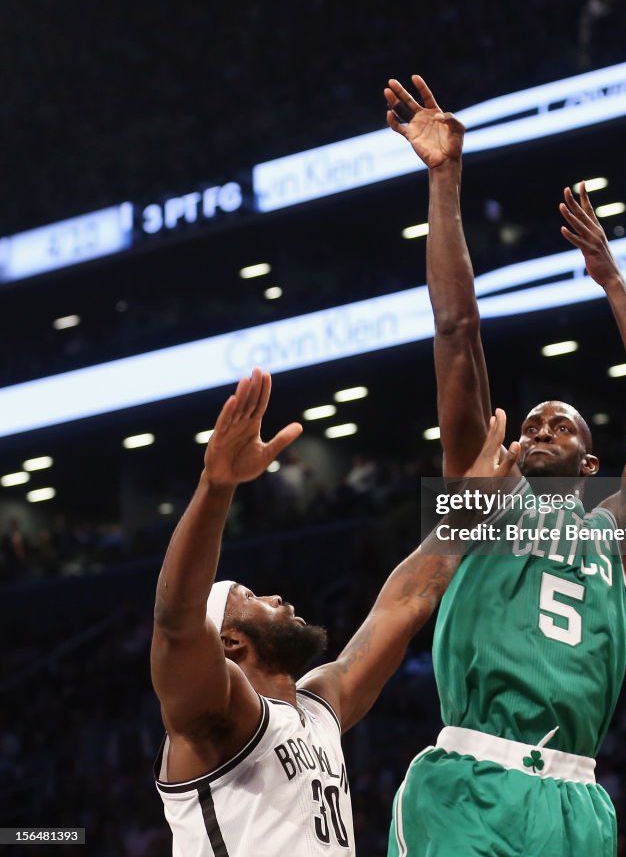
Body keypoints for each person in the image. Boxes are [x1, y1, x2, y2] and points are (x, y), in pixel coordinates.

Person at [383, 75, 626, 856]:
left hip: (575, 799)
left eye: (560, 422)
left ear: (591, 463)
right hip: (469, 780)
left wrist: (612, 282)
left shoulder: (616, 537)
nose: (537, 423)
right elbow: (456, 332)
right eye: (530, 421)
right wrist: (443, 179)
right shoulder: (478, 504)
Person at [151, 366, 518, 856]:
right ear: (230, 641)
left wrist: (466, 513)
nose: (277, 598)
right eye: (253, 598)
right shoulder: (222, 715)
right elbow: (177, 621)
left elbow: (406, 603)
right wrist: (216, 488)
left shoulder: (317, 709)